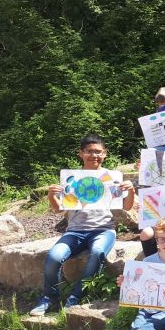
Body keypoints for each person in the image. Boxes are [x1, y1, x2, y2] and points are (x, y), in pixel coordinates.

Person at [30, 134, 136, 316]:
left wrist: (131, 190)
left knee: (97, 252)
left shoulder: (111, 178)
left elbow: (126, 206)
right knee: (54, 257)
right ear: (81, 153)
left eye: (98, 152)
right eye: (89, 151)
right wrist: (51, 196)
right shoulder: (72, 179)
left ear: (105, 153)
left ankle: (76, 296)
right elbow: (58, 210)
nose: (94, 155)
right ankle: (49, 298)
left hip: (103, 230)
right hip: (75, 231)